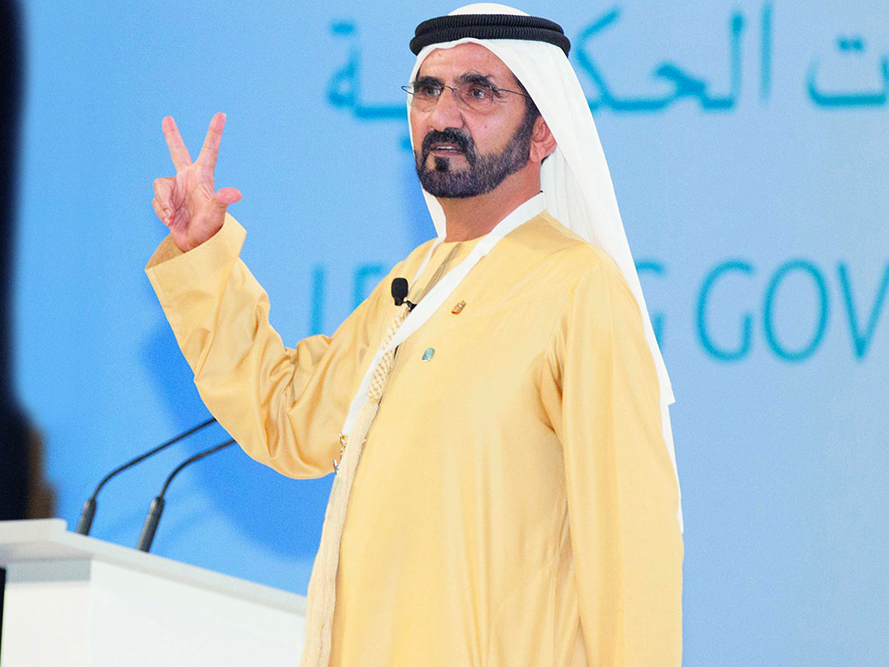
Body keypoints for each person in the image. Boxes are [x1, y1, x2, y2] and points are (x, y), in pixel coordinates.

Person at [146, 4, 683, 666]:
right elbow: (288, 417)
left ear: (543, 131)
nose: (443, 114)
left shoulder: (578, 287)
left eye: (478, 92)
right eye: (428, 90)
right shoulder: (414, 284)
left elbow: (631, 551)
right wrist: (204, 254)